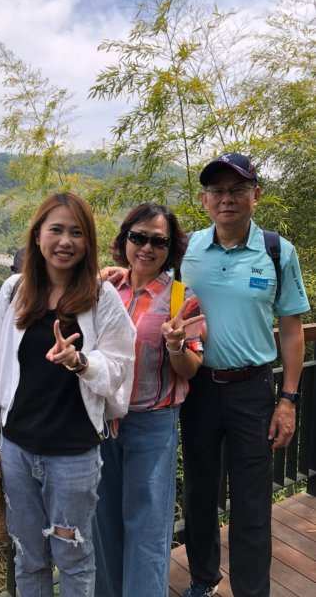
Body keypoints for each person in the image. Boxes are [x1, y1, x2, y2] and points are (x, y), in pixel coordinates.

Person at [0, 191, 136, 597]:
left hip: (74, 456)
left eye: (76, 233)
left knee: (74, 559)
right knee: (28, 556)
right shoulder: (15, 291)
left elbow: (119, 366)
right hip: (17, 449)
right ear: (38, 236)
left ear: (88, 243)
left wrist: (80, 361)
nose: (65, 241)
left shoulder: (103, 299)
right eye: (56, 230)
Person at [180, 153, 310, 597]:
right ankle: (202, 579)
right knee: (198, 492)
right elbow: (149, 281)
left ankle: (252, 590)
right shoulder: (188, 249)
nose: (226, 199)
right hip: (196, 387)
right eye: (217, 191)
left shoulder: (277, 251)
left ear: (256, 195)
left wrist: (288, 399)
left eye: (237, 189)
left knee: (252, 501)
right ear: (204, 200)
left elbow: (292, 331)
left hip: (252, 389)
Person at [94, 203, 205, 597]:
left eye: (158, 241)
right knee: (102, 527)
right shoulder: (104, 289)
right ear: (124, 239)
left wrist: (176, 346)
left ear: (170, 248)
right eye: (138, 237)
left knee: (147, 530)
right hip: (103, 425)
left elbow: (190, 367)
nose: (146, 247)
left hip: (152, 426)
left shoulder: (180, 299)